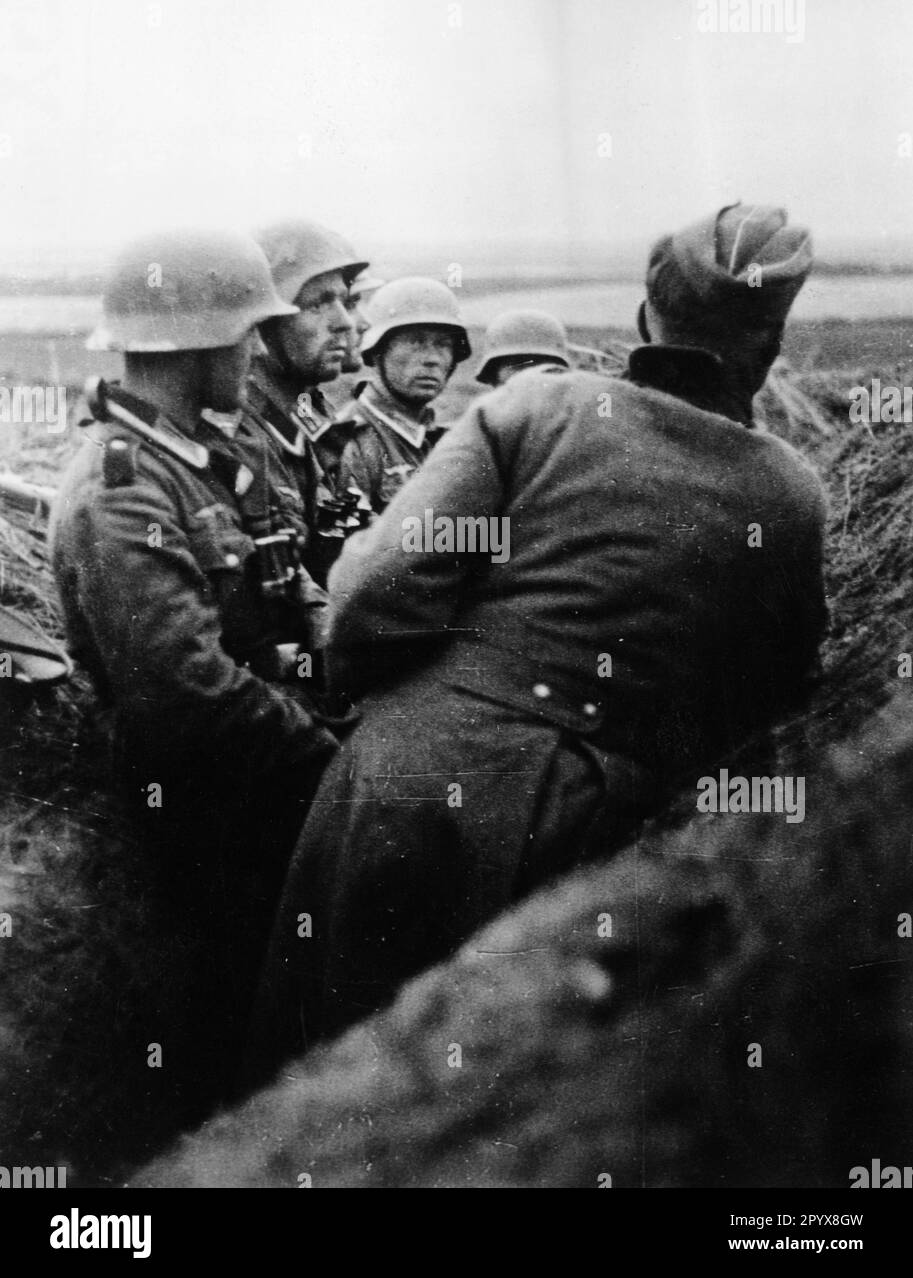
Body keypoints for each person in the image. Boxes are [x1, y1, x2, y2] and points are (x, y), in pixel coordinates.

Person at [248, 202, 828, 1073]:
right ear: (769, 346)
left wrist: (387, 705)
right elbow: (766, 717)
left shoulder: (530, 410)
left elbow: (370, 597)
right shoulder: (790, 496)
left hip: (405, 779)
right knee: (494, 1115)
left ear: (643, 321)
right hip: (581, 845)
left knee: (306, 1103)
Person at [49, 228, 341, 1121]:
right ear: (201, 342)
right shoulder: (124, 487)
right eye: (248, 332)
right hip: (204, 821)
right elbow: (185, 695)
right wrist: (331, 760)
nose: (257, 350)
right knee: (248, 1054)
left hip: (263, 783)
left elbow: (286, 586)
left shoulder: (206, 461)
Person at [240, 219, 372, 585]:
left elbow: (350, 523)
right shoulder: (247, 434)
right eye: (317, 305)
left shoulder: (309, 407)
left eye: (345, 302)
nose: (345, 323)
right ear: (264, 320)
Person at [334, 276, 472, 513]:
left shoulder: (440, 440)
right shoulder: (350, 441)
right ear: (378, 351)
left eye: (443, 344)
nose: (432, 358)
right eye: (415, 342)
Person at [474, 309, 572, 386]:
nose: (529, 375)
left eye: (540, 366)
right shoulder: (484, 410)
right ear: (493, 375)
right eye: (518, 365)